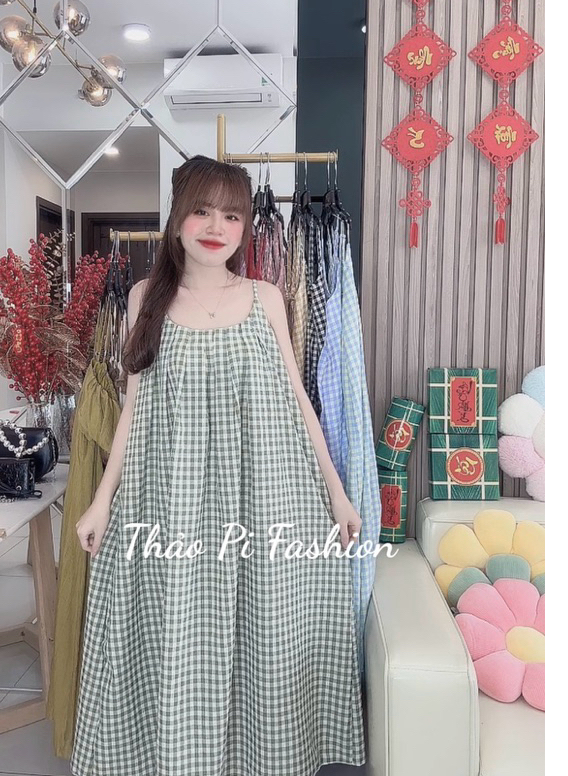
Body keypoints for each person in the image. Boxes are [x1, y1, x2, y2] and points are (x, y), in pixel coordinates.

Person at [70, 155, 365, 776]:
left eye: (231, 215)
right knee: (178, 628)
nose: (215, 227)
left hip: (263, 490)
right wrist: (101, 501)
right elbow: (132, 409)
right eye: (201, 211)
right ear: (177, 216)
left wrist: (337, 493)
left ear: (246, 226)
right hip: (170, 496)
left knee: (265, 624)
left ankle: (261, 758)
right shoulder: (144, 299)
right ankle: (182, 757)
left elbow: (299, 400)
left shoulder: (265, 298)